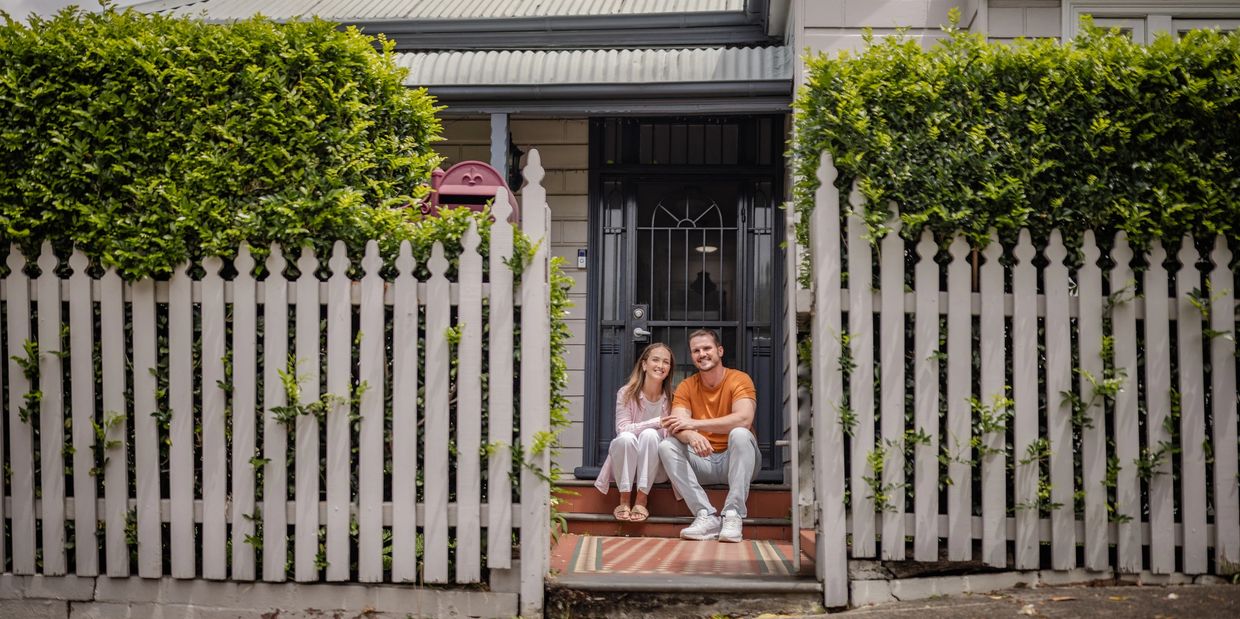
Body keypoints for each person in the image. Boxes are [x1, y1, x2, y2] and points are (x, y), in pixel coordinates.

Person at [659, 328, 758, 542]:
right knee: (666, 445)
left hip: (738, 460)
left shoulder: (739, 379)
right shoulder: (686, 386)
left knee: (741, 434)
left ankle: (733, 514)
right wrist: (692, 435)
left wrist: (694, 424)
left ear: (720, 351)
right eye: (696, 350)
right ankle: (705, 515)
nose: (701, 354)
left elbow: (744, 419)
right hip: (702, 459)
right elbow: (677, 424)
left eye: (707, 348)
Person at [594, 342, 675, 522]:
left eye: (666, 362)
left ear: (669, 368)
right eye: (655, 360)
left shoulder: (672, 399)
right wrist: (657, 422)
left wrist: (655, 428)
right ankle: (624, 499)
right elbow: (622, 428)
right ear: (644, 364)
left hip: (655, 468)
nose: (660, 366)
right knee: (625, 438)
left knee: (650, 435)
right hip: (625, 466)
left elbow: (670, 438)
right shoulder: (626, 393)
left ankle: (641, 499)